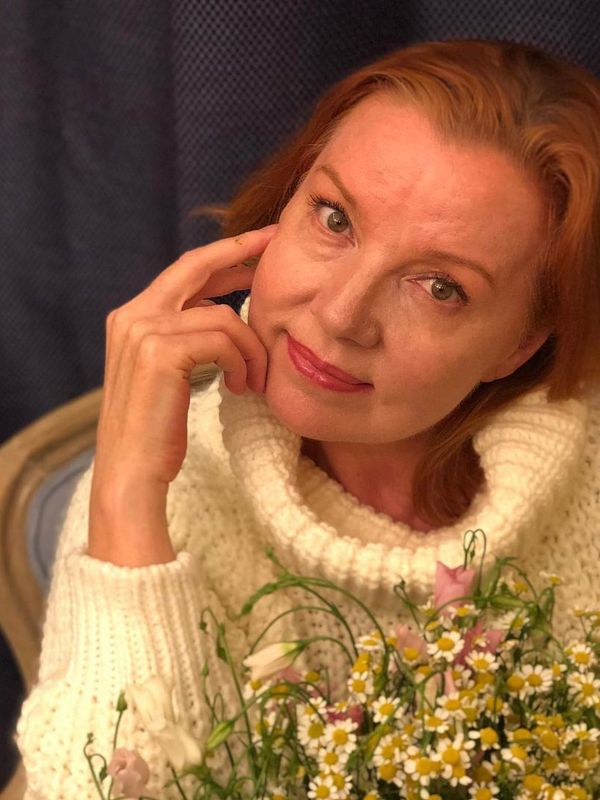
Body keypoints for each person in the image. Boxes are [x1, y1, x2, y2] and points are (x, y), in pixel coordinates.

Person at [14, 38, 600, 799]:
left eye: (439, 287)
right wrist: (125, 497)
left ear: (520, 343)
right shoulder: (169, 499)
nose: (340, 314)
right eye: (334, 219)